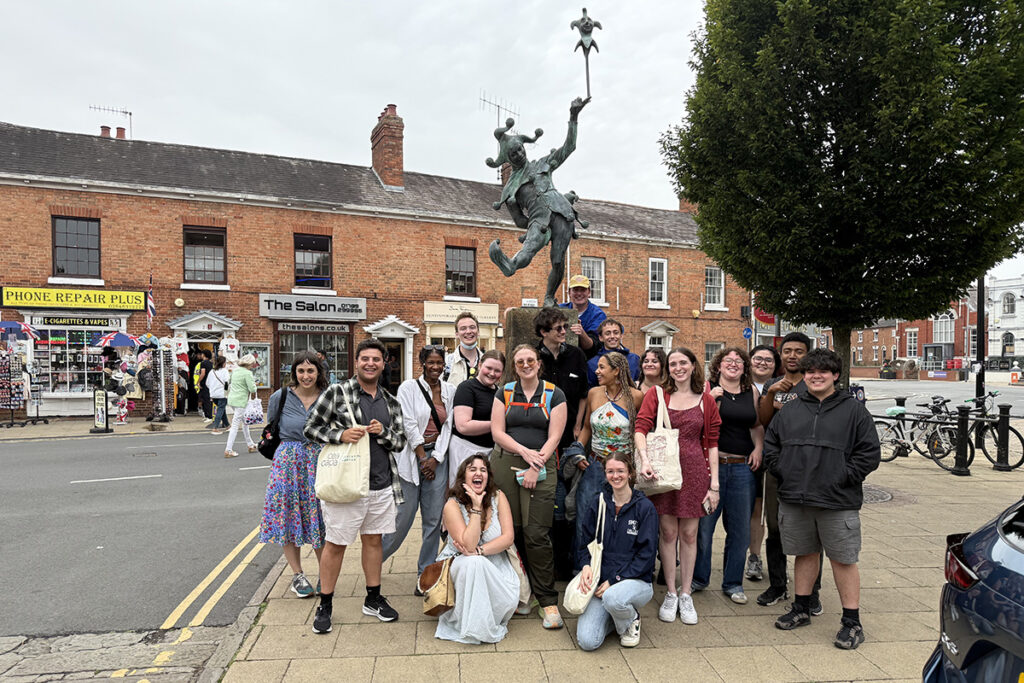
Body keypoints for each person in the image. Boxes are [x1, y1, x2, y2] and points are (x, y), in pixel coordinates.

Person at [764, 348, 880, 649]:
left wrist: (842, 476)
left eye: (823, 372)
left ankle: (851, 622)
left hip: (836, 500)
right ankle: (802, 608)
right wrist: (784, 472)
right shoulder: (790, 409)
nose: (816, 376)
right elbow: (771, 445)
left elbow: (869, 453)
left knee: (843, 559)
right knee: (804, 554)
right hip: (796, 496)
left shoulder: (854, 410)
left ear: (835, 376)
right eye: (810, 371)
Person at [303, 339, 408, 632]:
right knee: (335, 544)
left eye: (376, 359)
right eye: (365, 359)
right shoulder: (337, 393)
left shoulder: (391, 401)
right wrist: (340, 434)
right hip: (346, 484)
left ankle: (373, 598)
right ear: (357, 362)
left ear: (383, 363)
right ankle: (325, 604)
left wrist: (383, 432)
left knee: (373, 541)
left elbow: (400, 442)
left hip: (382, 484)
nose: (370, 363)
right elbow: (310, 428)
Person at [634, 346, 720, 626]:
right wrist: (644, 459)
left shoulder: (706, 400)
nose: (678, 368)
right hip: (663, 470)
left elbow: (712, 444)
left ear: (694, 365)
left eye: (683, 362)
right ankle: (670, 592)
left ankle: (686, 593)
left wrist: (714, 485)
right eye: (672, 363)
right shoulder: (657, 395)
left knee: (690, 534)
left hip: (695, 471)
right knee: (668, 533)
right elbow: (641, 428)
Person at [490, 344, 567, 629]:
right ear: (514, 365)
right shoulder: (505, 392)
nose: (525, 365)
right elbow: (497, 432)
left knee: (536, 534)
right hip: (506, 465)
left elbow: (555, 436)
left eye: (530, 360)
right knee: (511, 533)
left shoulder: (554, 393)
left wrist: (535, 465)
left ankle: (547, 601)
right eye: (520, 361)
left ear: (538, 363)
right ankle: (521, 594)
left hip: (542, 466)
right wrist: (524, 454)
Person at [487, 97, 591, 308]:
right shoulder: (509, 189)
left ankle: (549, 297)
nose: (518, 154)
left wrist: (573, 116)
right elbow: (518, 220)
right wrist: (532, 225)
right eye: (513, 153)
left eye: (519, 149)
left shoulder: (543, 164)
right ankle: (510, 264)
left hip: (562, 213)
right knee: (529, 248)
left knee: (558, 260)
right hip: (538, 219)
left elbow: (569, 147)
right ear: (507, 158)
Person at [756, 332, 823, 612]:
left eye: (799, 351)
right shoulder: (773, 384)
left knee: (811, 531)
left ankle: (812, 592)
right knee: (775, 527)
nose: (793, 356)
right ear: (780, 355)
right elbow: (762, 420)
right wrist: (771, 395)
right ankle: (778, 584)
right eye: (787, 351)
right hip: (776, 465)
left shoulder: (815, 385)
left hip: (807, 467)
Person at [692, 347, 763, 604]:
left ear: (745, 367)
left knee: (740, 530)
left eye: (738, 361)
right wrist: (709, 398)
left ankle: (733, 583)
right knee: (704, 527)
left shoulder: (751, 391)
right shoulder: (705, 388)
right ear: (718, 366)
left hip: (742, 467)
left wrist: (758, 447)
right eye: (727, 360)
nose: (733, 364)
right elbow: (693, 423)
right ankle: (699, 578)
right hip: (712, 466)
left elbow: (755, 425)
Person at [381, 345, 455, 585]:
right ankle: (374, 560)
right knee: (403, 516)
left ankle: (425, 574)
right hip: (413, 458)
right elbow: (408, 424)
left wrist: (437, 459)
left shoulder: (450, 390)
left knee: (434, 520)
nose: (435, 367)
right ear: (422, 363)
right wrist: (424, 458)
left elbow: (449, 427)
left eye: (439, 363)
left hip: (438, 459)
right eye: (431, 362)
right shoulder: (408, 388)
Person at [259, 350, 329, 598]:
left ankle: (325, 574)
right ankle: (298, 575)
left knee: (320, 519)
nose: (306, 375)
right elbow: (272, 428)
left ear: (319, 372)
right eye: (301, 371)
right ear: (294, 373)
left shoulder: (328, 397)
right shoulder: (281, 396)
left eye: (311, 370)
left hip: (319, 462)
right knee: (288, 518)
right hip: (287, 464)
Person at [573, 452, 658, 651]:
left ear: (630, 473)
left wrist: (616, 580)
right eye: (610, 471)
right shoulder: (599, 503)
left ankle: (631, 618)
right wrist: (585, 565)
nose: (615, 476)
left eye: (620, 471)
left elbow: (646, 557)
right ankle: (618, 616)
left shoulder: (645, 508)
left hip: (635, 582)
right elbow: (584, 541)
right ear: (605, 474)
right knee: (588, 642)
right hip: (601, 582)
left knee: (614, 598)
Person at [434, 455, 519, 644]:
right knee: (473, 563)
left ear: (488, 476)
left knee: (476, 559)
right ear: (463, 477)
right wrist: (476, 507)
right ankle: (473, 627)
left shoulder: (499, 497)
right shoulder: (452, 504)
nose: (478, 473)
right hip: (460, 565)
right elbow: (468, 545)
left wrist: (480, 552)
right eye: (472, 469)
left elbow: (508, 538)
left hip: (497, 568)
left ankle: (483, 619)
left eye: (483, 470)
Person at [534, 307, 590, 580]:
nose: (564, 332)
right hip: (545, 445)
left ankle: (572, 563)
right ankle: (554, 565)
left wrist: (579, 426)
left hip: (572, 440)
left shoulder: (576, 355)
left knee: (574, 504)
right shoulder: (534, 358)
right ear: (544, 332)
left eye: (565, 327)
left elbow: (582, 395)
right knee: (553, 505)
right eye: (558, 328)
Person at [572, 352, 643, 554]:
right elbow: (586, 427)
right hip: (595, 464)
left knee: (620, 518)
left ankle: (617, 566)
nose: (597, 371)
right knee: (585, 515)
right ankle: (583, 567)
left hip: (623, 469)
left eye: (602, 367)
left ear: (616, 371)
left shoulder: (636, 397)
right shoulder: (594, 393)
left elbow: (641, 432)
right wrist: (578, 452)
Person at [746, 344, 780, 581]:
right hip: (747, 454)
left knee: (777, 513)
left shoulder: (784, 386)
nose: (762, 363)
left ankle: (779, 561)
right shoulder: (739, 385)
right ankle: (754, 557)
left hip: (778, 456)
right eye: (758, 358)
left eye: (768, 360)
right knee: (756, 510)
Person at [447, 350, 505, 487]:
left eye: (497, 370)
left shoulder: (500, 393)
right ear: (479, 365)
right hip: (465, 450)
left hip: (490, 452)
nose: (492, 373)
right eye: (488, 368)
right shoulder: (466, 388)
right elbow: (463, 426)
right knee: (463, 493)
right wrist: (497, 424)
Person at [586, 319, 641, 387]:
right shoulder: (593, 363)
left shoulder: (634, 359)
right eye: (607, 333)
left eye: (616, 333)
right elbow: (591, 392)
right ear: (601, 338)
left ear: (621, 335)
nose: (612, 336)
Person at [559, 274, 605, 356]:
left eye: (583, 290)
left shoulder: (598, 315)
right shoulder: (559, 309)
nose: (579, 293)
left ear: (589, 292)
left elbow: (594, 347)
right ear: (569, 292)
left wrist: (582, 333)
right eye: (575, 290)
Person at [224, 354, 258, 458]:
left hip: (232, 399)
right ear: (249, 363)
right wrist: (254, 385)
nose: (254, 364)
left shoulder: (235, 371)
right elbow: (252, 389)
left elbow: (229, 383)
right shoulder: (248, 373)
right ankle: (228, 449)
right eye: (253, 362)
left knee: (245, 422)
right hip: (241, 401)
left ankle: (250, 444)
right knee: (235, 425)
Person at [444, 312, 483, 385]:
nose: (468, 331)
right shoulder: (447, 363)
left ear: (478, 331)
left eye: (472, 327)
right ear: (457, 334)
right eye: (463, 328)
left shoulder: (486, 361)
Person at [205, 355, 231, 434]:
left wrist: (213, 389)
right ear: (223, 363)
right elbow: (227, 382)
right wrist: (227, 391)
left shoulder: (211, 372)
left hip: (213, 394)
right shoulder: (224, 371)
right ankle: (215, 427)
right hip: (222, 394)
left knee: (221, 409)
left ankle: (228, 426)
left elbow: (207, 383)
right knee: (220, 410)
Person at [197, 349, 214, 421]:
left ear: (204, 355)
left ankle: (209, 416)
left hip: (204, 383)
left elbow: (202, 373)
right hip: (210, 383)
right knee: (208, 400)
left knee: (205, 400)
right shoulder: (211, 363)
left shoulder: (203, 363)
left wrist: (198, 382)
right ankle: (208, 415)